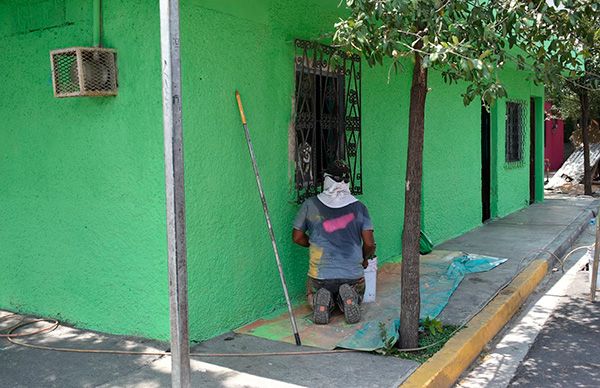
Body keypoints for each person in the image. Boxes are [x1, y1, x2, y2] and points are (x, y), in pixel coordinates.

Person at [292, 160, 376, 324]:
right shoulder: (360, 207)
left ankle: (322, 301)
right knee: (357, 289)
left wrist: (313, 244)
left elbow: (297, 237)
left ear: (326, 179)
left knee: (313, 291)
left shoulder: (309, 205)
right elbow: (369, 243)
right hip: (352, 275)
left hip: (320, 276)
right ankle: (350, 298)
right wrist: (365, 259)